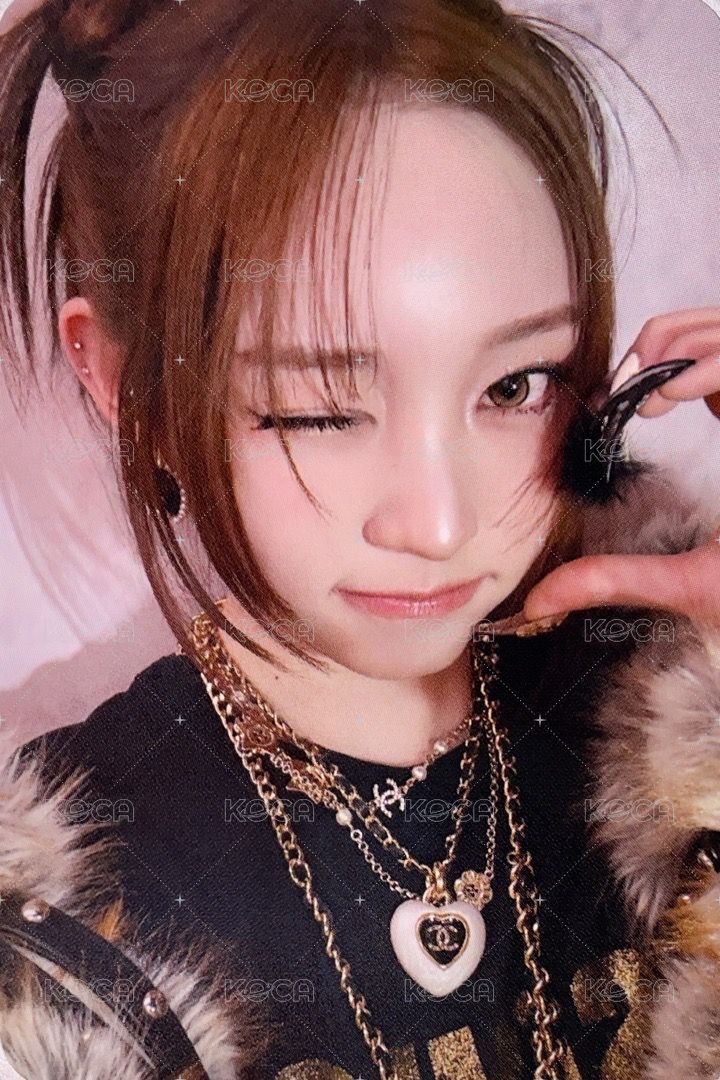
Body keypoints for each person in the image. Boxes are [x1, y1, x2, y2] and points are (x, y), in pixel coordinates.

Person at [0, 1, 719, 1078]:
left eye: (514, 385)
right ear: (125, 383)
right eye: (321, 411)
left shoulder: (662, 691)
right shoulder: (72, 921)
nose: (439, 524)